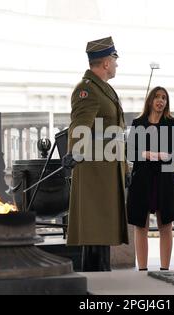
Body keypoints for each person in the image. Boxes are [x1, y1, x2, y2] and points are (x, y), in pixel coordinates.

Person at [62, 36, 129, 272]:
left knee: (103, 228)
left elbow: (116, 133)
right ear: (106, 62)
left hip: (109, 168)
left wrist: (126, 167)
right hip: (96, 171)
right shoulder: (86, 90)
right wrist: (74, 152)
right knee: (96, 228)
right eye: (114, 59)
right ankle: (95, 278)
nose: (117, 64)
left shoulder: (104, 88)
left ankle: (100, 273)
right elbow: (79, 126)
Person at [127, 86, 174, 271]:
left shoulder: (172, 123)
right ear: (150, 100)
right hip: (142, 180)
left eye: (164, 98)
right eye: (157, 97)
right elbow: (129, 152)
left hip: (165, 180)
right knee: (140, 225)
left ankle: (164, 269)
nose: (161, 100)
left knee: (165, 224)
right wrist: (145, 154)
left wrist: (164, 155)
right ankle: (142, 269)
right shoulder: (138, 123)